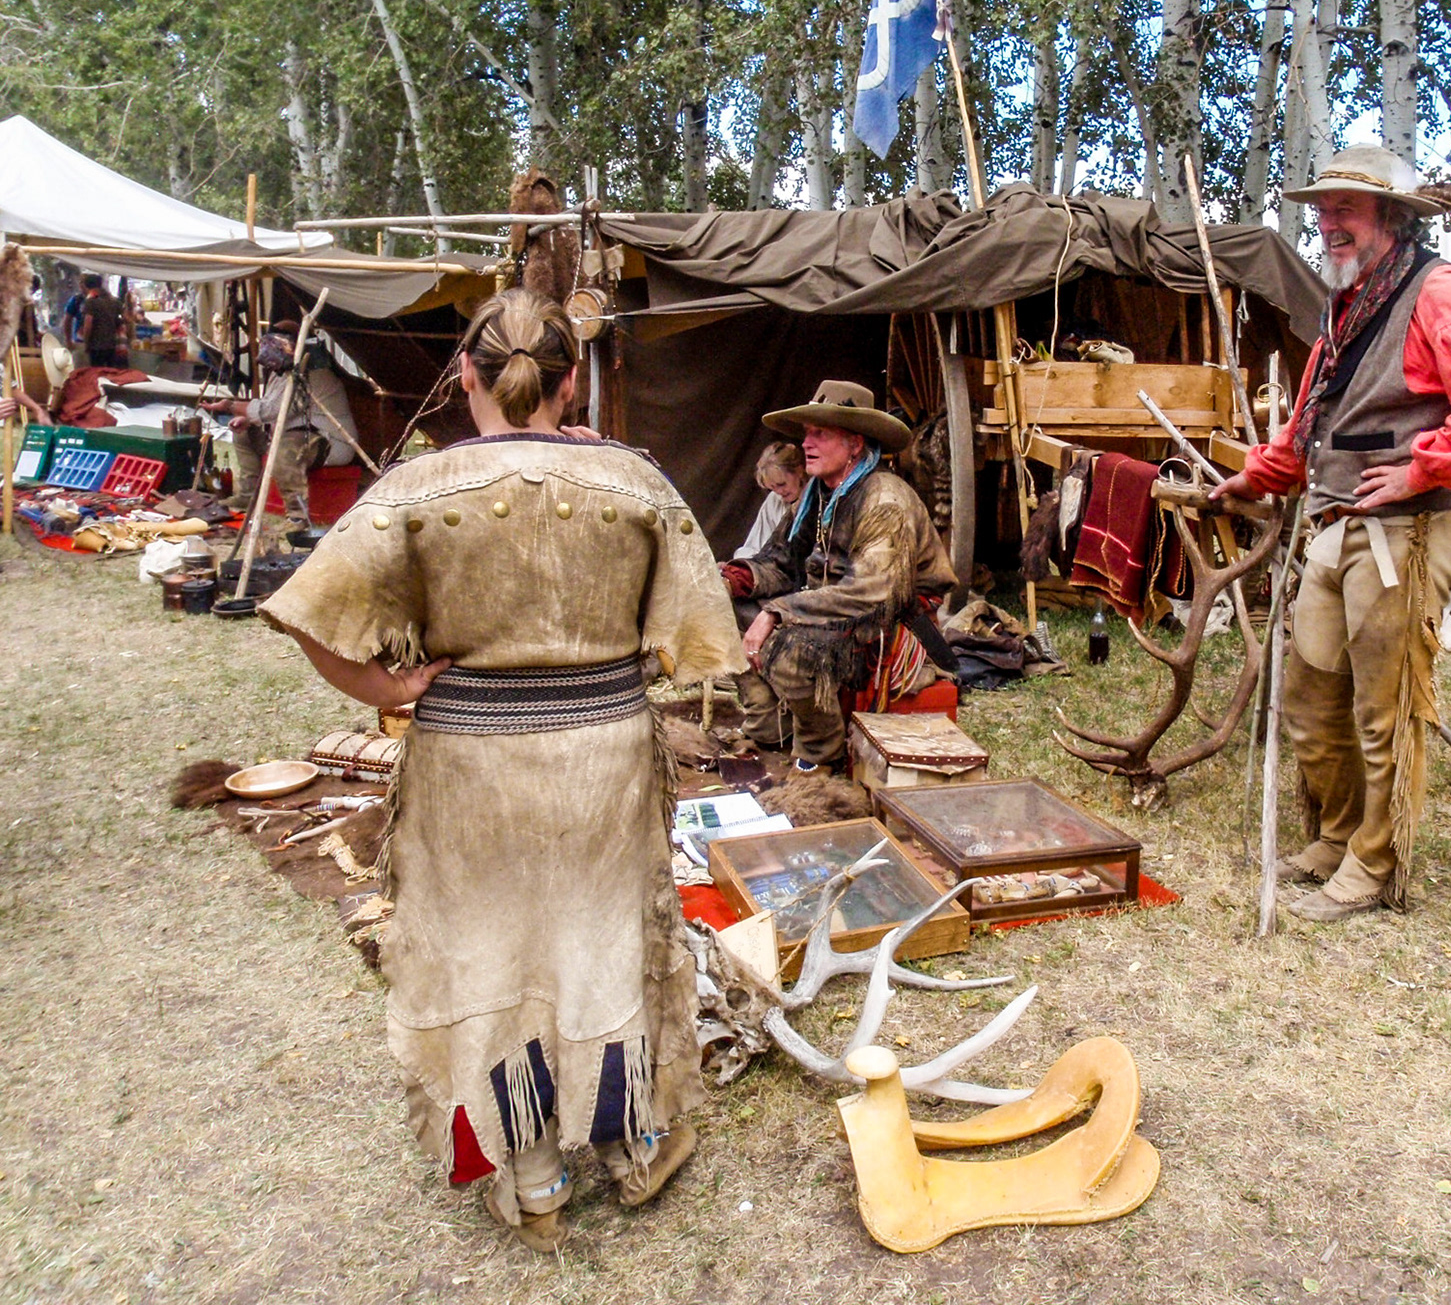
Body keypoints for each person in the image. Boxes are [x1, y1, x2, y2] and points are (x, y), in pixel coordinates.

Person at [258, 290, 744, 1252]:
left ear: (467, 376)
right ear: (570, 382)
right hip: (601, 761)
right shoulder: (633, 481)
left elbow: (308, 611)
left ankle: (534, 1183)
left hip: (469, 764)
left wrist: (382, 685)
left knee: (493, 954)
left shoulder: (418, 486)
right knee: (603, 940)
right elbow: (699, 639)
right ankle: (638, 1145)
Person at [1212, 145, 1451, 922]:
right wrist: (1262, 474)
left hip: (1406, 533)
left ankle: (1374, 865)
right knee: (1311, 693)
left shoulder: (1439, 294)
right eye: (1323, 211)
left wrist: (1426, 466)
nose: (1329, 224)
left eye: (1347, 211)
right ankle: (1335, 838)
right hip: (1336, 523)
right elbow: (1321, 414)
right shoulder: (1352, 299)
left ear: (1391, 218)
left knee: (1382, 707)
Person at [721, 380, 957, 773]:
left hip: (888, 623)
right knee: (722, 608)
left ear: (855, 444)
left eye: (821, 433)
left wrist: (778, 612)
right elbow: (782, 561)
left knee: (795, 650)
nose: (806, 444)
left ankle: (820, 756)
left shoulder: (884, 499)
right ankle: (772, 729)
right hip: (833, 609)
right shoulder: (818, 493)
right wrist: (733, 579)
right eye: (807, 433)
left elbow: (872, 592)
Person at [211, 327, 361, 526]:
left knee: (286, 450)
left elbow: (272, 410)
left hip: (330, 440)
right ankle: (249, 493)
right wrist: (248, 419)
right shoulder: (283, 373)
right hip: (296, 433)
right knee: (245, 433)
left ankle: (298, 514)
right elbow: (272, 406)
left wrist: (230, 406)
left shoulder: (313, 374)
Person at [733, 441, 807, 560]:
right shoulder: (774, 500)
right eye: (772, 488)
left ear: (798, 471)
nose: (779, 492)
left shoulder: (820, 496)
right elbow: (755, 546)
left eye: (781, 484)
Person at [75, 276, 126, 368]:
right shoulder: (114, 301)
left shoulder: (91, 302)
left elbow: (88, 324)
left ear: (86, 286)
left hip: (96, 346)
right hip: (112, 344)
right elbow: (124, 319)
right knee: (111, 373)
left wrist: (86, 342)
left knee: (97, 373)